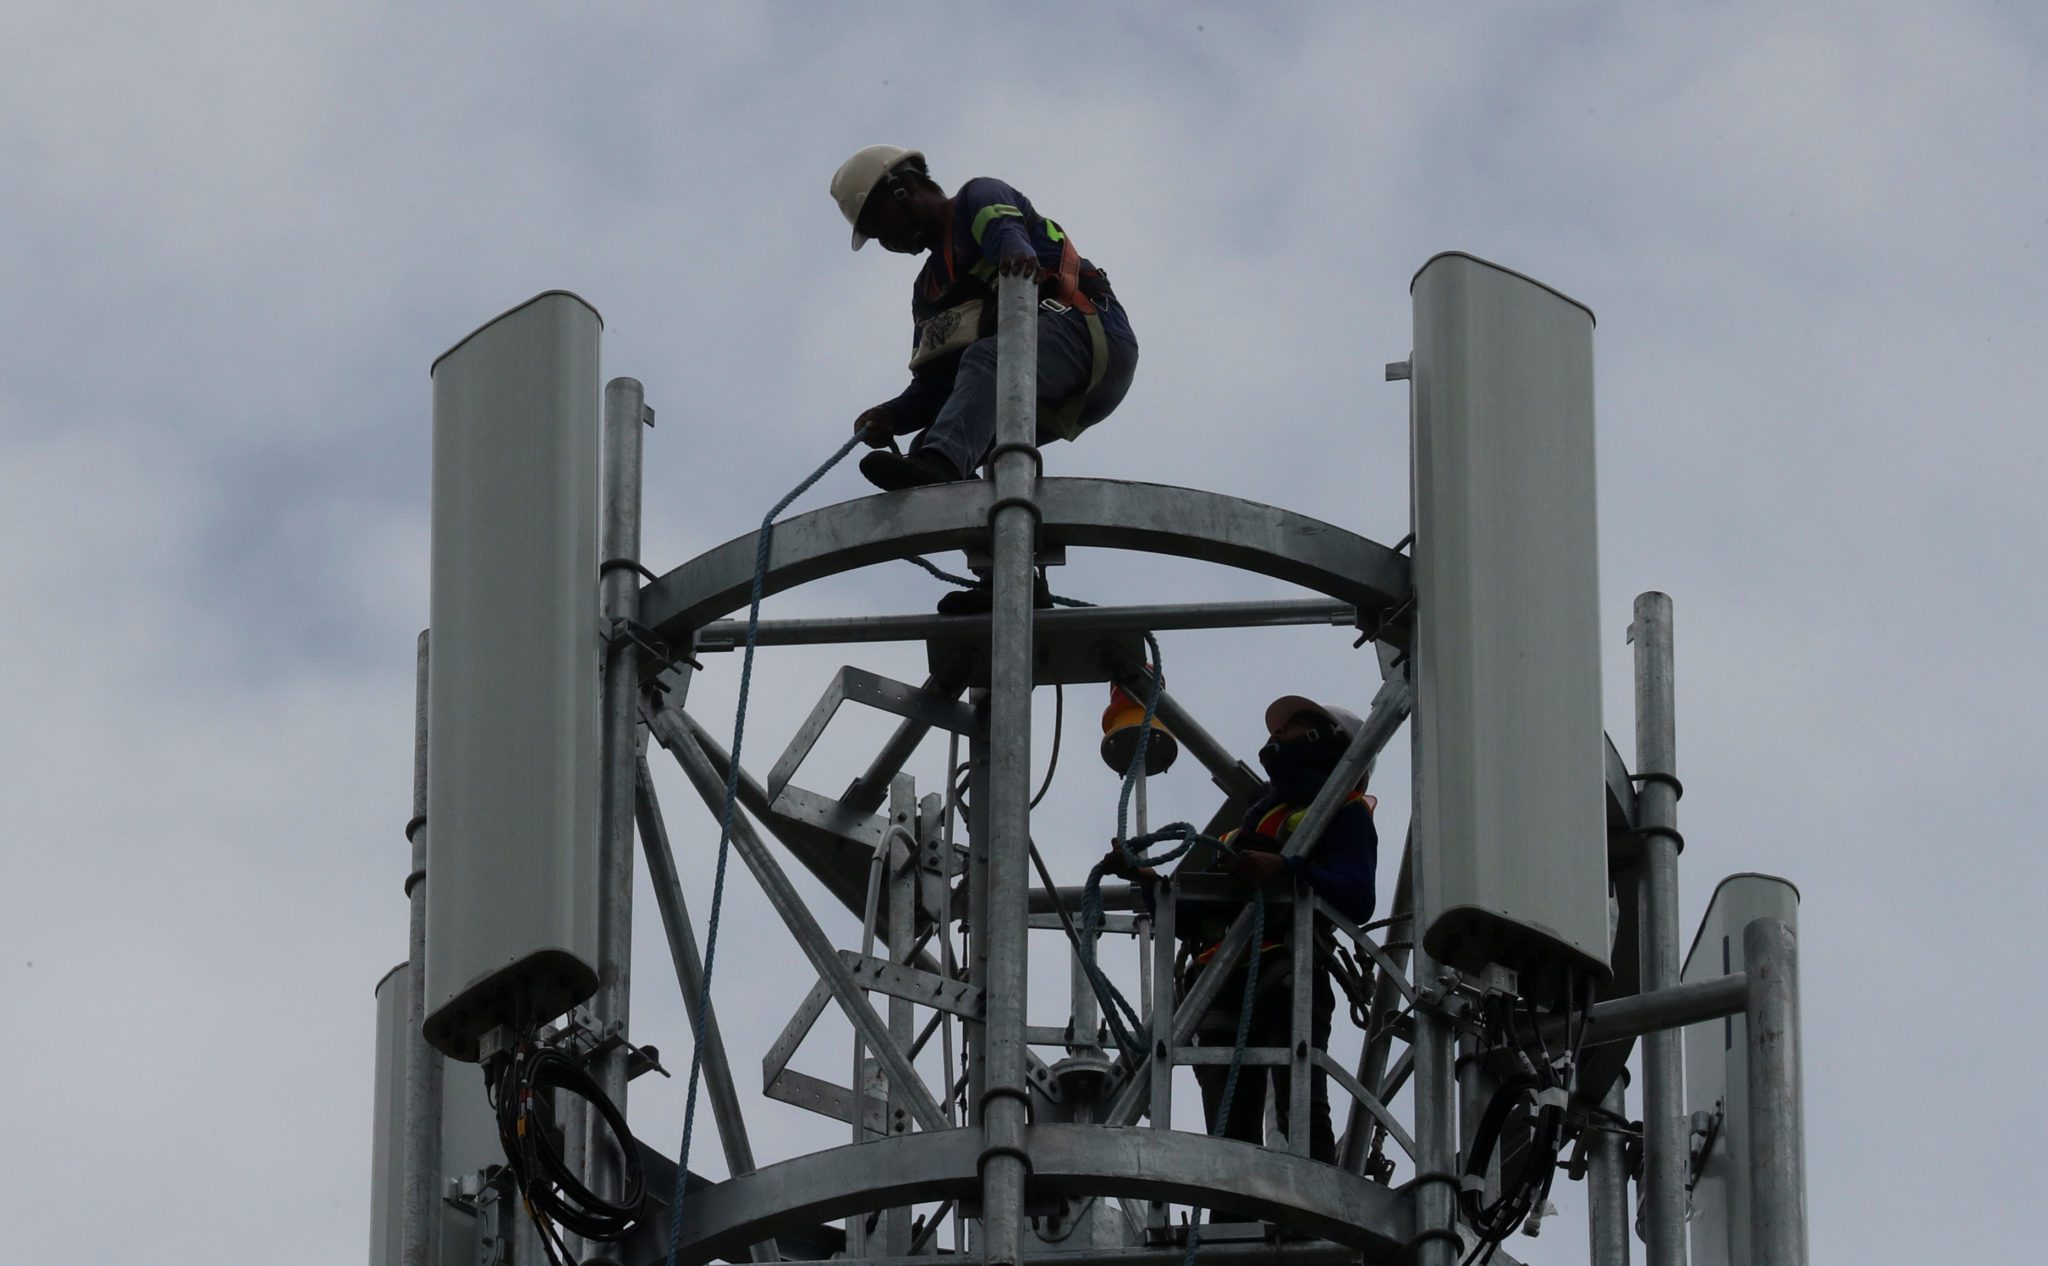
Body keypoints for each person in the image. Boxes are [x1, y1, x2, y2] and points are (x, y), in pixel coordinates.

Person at [1114, 694, 1378, 1167]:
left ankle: (1309, 1213)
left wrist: (1287, 869)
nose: (1277, 735)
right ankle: (1222, 1227)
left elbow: (1357, 895)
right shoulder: (1244, 832)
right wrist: (1152, 885)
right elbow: (1200, 919)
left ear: (1330, 744)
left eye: (1294, 726)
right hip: (1217, 980)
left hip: (1285, 971)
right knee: (1227, 1124)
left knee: (1301, 1107)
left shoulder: (1345, 811)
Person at [828, 145, 1139, 491]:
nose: (885, 241)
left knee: (985, 369)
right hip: (1035, 379)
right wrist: (891, 415)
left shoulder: (976, 198)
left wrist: (1015, 256)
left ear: (903, 189)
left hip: (1092, 334)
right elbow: (935, 386)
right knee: (930, 446)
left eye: (879, 224)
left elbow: (1006, 233)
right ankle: (995, 535)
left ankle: (942, 465)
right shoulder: (928, 289)